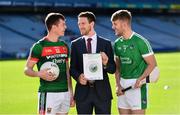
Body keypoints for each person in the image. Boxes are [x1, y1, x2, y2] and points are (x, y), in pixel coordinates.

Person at [24, 13, 75, 115]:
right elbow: (27, 69)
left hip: (65, 94)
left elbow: (67, 72)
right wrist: (39, 74)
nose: (65, 27)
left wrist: (70, 92)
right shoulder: (39, 46)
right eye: (63, 25)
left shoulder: (64, 46)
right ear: (54, 27)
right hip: (48, 94)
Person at [111, 10, 157, 114]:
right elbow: (117, 67)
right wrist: (118, 85)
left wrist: (140, 79)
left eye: (115, 24)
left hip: (137, 87)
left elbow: (152, 64)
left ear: (124, 24)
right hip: (122, 87)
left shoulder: (140, 41)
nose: (113, 27)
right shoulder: (117, 43)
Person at [70, 11, 116, 114]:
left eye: (83, 23)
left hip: (103, 93)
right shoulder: (75, 44)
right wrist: (78, 77)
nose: (80, 26)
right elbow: (72, 68)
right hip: (82, 93)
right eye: (79, 24)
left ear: (92, 24)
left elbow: (113, 69)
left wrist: (106, 63)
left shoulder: (106, 43)